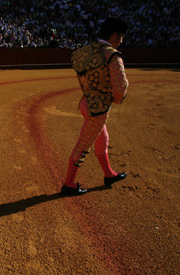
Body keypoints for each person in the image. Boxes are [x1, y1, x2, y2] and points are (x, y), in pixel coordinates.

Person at [61, 18, 129, 195]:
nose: (121, 42)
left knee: (102, 138)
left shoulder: (86, 50)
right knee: (82, 146)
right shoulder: (112, 55)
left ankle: (109, 174)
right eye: (121, 37)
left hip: (85, 102)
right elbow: (120, 88)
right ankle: (68, 184)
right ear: (114, 36)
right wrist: (116, 100)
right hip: (98, 110)